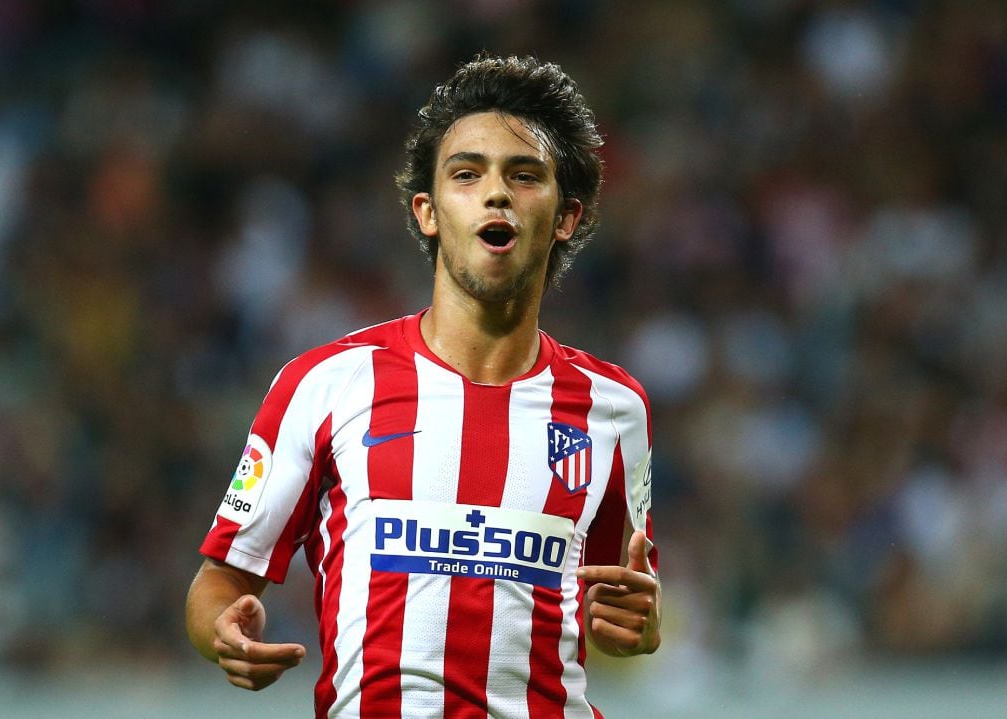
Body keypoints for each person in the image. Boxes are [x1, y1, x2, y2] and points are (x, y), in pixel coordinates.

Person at [186, 54, 661, 719]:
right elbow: (221, 578)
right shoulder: (325, 385)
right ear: (429, 211)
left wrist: (643, 628)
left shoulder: (616, 409)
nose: (496, 193)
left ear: (566, 218)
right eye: (467, 174)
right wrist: (222, 631)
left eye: (524, 176)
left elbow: (624, 606)